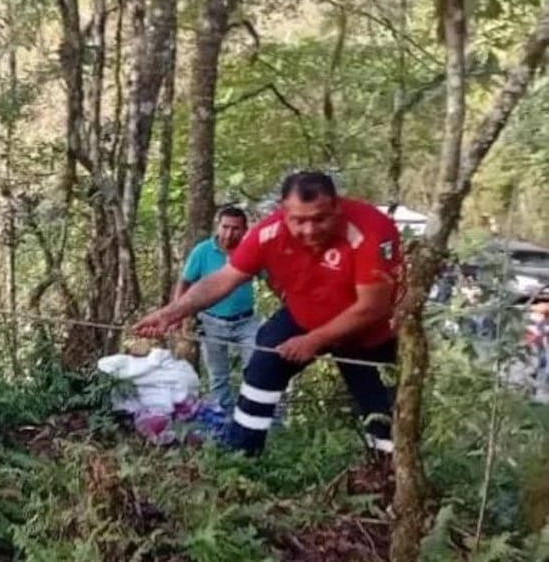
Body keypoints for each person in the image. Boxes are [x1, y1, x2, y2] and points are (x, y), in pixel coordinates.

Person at [134, 171, 402, 457]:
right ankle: (243, 457)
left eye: (320, 218)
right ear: (283, 211)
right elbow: (224, 278)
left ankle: (386, 465)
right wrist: (171, 313)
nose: (309, 230)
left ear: (336, 207)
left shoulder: (371, 228)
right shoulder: (267, 234)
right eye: (299, 220)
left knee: (372, 393)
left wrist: (314, 341)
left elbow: (373, 306)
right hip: (304, 316)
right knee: (263, 366)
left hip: (367, 330)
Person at [175, 206, 259, 411]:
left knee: (257, 369)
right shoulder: (202, 251)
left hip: (246, 322)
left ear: (245, 230)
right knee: (218, 376)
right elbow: (184, 282)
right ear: (218, 226)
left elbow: (273, 280)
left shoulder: (252, 250)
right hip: (212, 321)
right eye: (225, 227)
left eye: (236, 228)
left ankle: (252, 416)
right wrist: (177, 313)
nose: (229, 233)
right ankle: (222, 420)